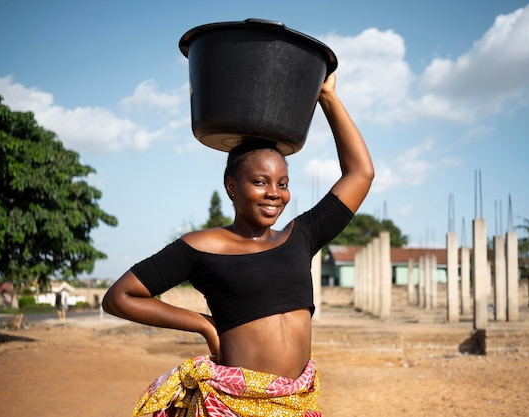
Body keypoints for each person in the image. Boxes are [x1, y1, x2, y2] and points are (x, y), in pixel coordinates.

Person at [102, 72, 374, 417]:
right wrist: (204, 324)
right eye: (260, 181)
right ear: (232, 186)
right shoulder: (203, 246)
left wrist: (328, 98)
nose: (274, 193)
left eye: (283, 183)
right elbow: (118, 298)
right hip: (234, 406)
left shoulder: (301, 236)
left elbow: (360, 174)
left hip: (297, 402)